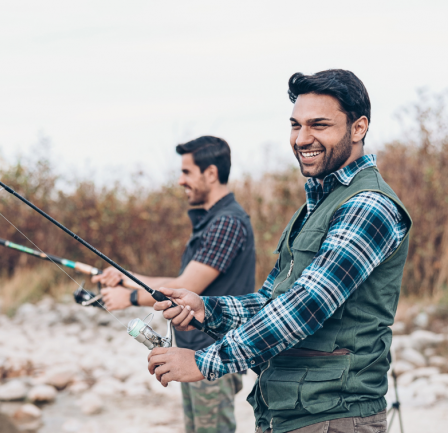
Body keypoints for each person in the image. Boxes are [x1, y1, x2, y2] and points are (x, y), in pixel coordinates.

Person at [148, 70, 412, 433]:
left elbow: (306, 305)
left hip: (333, 417)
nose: (302, 139)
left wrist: (206, 362)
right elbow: (275, 300)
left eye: (318, 125)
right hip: (286, 414)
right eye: (295, 126)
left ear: (358, 128)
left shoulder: (368, 205)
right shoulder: (314, 206)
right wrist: (207, 308)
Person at [93, 136, 256, 433]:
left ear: (210, 174)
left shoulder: (227, 223)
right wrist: (125, 275)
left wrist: (129, 297)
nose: (180, 181)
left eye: (186, 172)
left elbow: (184, 286)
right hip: (196, 351)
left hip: (213, 356)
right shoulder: (210, 221)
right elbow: (178, 282)